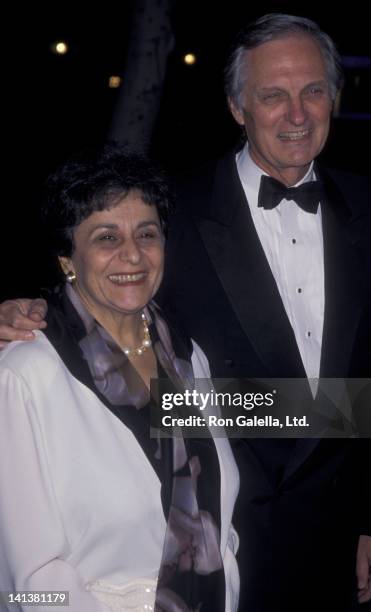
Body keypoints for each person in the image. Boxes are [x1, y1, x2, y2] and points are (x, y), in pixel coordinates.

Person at [0, 12, 371, 612]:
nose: (297, 114)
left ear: (334, 98)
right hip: (219, 544)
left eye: (313, 91)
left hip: (328, 539)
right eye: (273, 96)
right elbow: (102, 285)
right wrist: (29, 312)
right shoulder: (172, 215)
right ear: (238, 107)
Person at [0, 145, 239, 612]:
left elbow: (295, 415)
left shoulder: (188, 359)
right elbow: (26, 582)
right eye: (106, 238)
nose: (133, 254)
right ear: (68, 258)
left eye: (147, 233)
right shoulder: (24, 375)